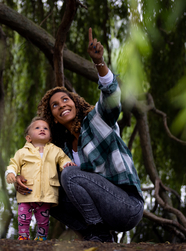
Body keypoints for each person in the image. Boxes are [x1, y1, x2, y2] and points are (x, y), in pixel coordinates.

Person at [14, 28, 145, 242]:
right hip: (104, 213)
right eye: (55, 105)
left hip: (126, 206)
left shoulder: (96, 119)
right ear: (54, 118)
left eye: (65, 100)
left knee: (69, 174)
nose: (61, 105)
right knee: (42, 191)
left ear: (75, 103)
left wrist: (99, 62)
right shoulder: (62, 149)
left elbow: (111, 95)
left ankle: (98, 231)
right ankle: (94, 235)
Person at [5, 117, 76, 241]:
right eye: (37, 128)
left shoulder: (55, 150)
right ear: (28, 138)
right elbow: (13, 164)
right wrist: (11, 173)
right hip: (27, 192)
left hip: (46, 193)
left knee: (43, 219)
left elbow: (63, 159)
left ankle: (41, 237)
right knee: (23, 217)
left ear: (50, 137)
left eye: (45, 128)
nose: (42, 129)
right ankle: (23, 236)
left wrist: (67, 164)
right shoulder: (22, 152)